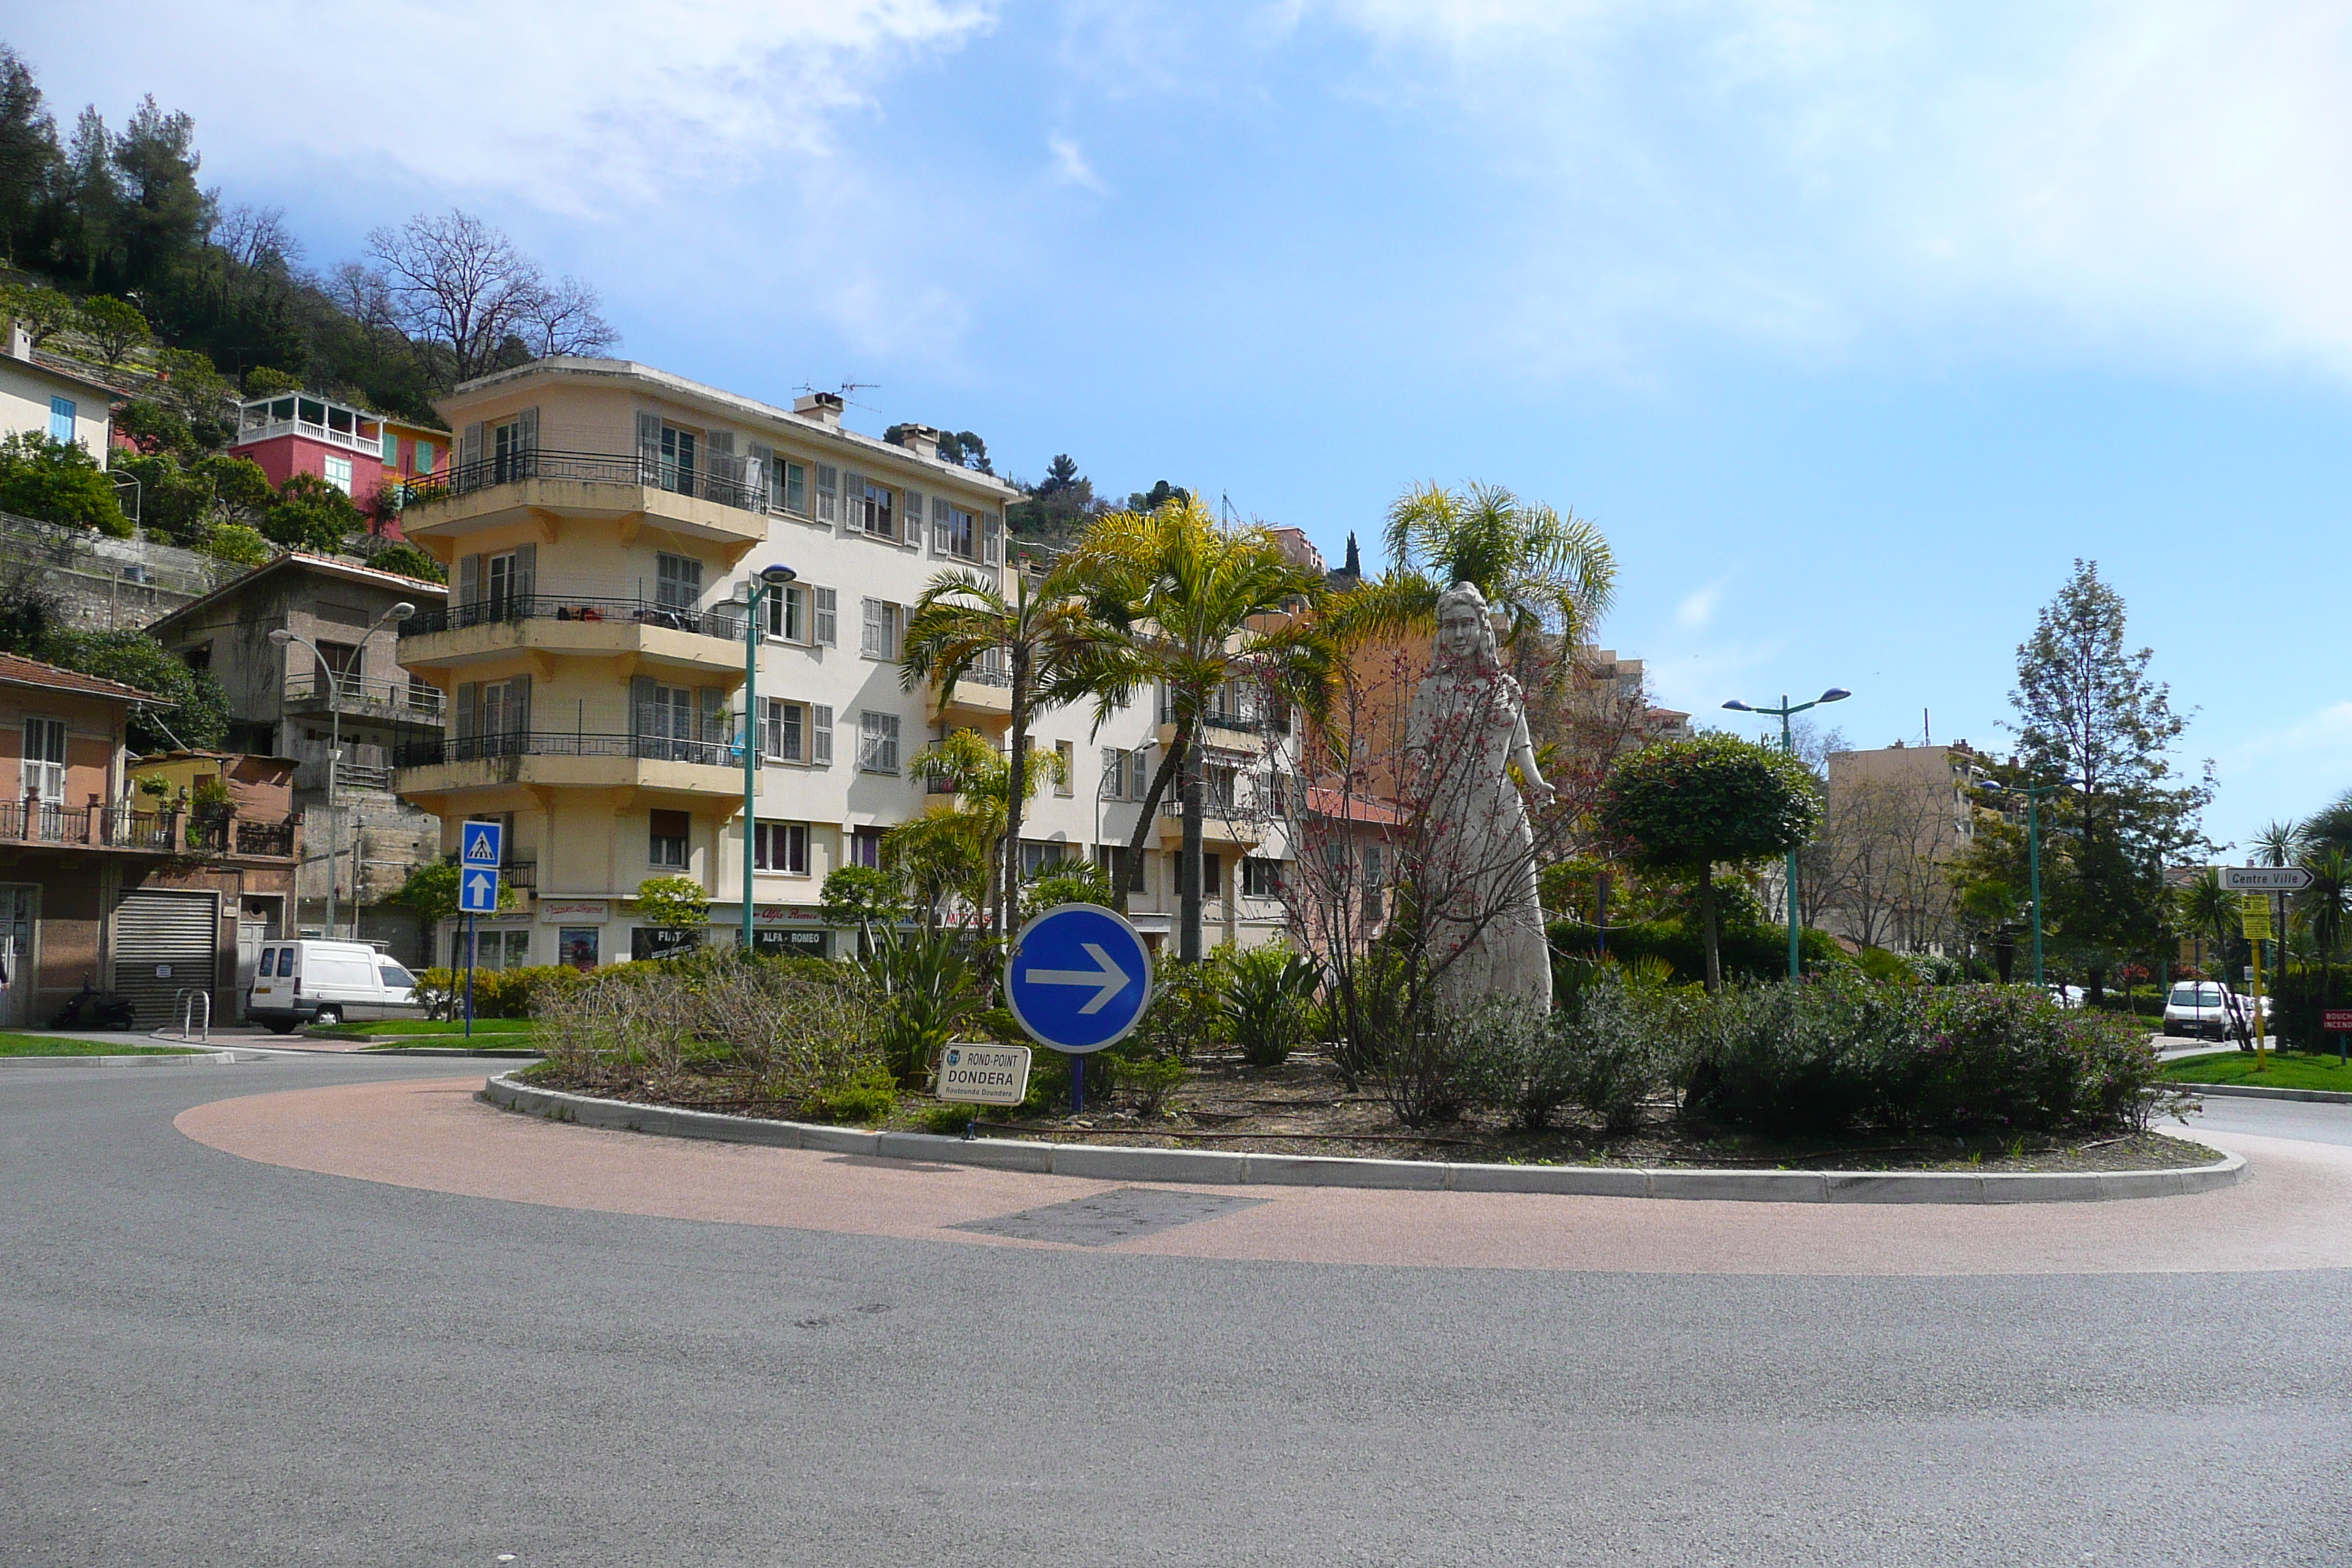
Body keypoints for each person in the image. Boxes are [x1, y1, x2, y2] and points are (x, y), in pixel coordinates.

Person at [1406, 582, 1554, 1012]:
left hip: (1503, 808)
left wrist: (1536, 782)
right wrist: (1422, 785)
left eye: (1466, 623)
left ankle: (1524, 1017)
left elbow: (1521, 745)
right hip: (1452, 811)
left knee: (1518, 909)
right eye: (1449, 625)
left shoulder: (1507, 686)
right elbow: (1416, 749)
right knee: (1457, 912)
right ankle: (1462, 1018)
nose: (1458, 634)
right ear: (1440, 632)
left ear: (1482, 627)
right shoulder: (1431, 691)